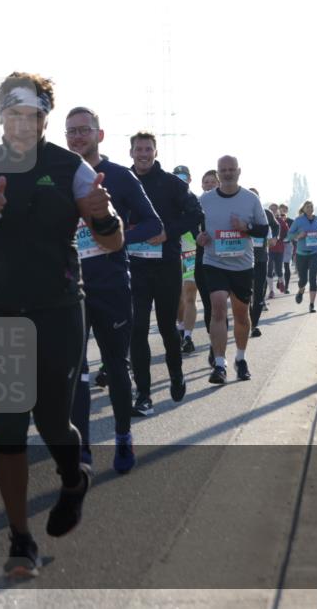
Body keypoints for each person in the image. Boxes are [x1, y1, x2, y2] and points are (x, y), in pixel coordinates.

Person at [0, 73, 124, 578]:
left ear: (46, 117)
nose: (23, 122)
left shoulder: (71, 167)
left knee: (51, 422)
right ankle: (20, 539)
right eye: (13, 113)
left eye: (33, 114)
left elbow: (111, 242)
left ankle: (74, 478)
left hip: (58, 308)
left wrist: (102, 216)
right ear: (0, 115)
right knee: (8, 428)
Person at [65, 106, 161, 472]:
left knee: (117, 366)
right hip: (69, 288)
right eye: (71, 131)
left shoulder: (120, 177)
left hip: (111, 285)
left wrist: (116, 237)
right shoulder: (57, 179)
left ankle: (123, 437)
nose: (77, 137)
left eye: (84, 130)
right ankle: (83, 448)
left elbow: (153, 222)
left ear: (99, 135)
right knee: (76, 371)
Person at [128, 132, 202, 415]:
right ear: (131, 152)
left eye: (148, 149)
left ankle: (176, 373)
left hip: (166, 265)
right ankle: (143, 394)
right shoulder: (125, 180)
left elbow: (195, 213)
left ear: (155, 152)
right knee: (137, 329)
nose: (143, 154)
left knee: (167, 327)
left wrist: (166, 233)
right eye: (139, 149)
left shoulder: (172, 184)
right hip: (135, 265)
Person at [196, 156, 269, 385]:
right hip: (214, 262)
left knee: (240, 313)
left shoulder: (250, 199)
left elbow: (264, 229)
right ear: (218, 173)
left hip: (242, 265)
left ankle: (240, 358)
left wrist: (246, 227)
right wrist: (197, 236)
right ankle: (219, 364)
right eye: (223, 170)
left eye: (231, 170)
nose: (227, 173)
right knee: (217, 308)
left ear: (239, 172)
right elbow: (192, 224)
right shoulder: (205, 200)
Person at [194, 169, 221, 367]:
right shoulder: (195, 204)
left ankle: (218, 351)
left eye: (213, 181)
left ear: (219, 184)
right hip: (202, 258)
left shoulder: (227, 204)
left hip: (224, 261)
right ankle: (214, 344)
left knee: (218, 306)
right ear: (202, 185)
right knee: (209, 306)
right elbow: (188, 225)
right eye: (206, 182)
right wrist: (197, 237)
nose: (209, 184)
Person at [173, 166, 199, 354]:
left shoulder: (195, 200)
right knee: (177, 299)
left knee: (190, 296)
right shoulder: (166, 201)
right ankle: (181, 327)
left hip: (191, 254)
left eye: (183, 177)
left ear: (190, 179)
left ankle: (188, 336)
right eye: (176, 177)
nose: (180, 180)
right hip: (172, 255)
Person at [247, 188, 279, 338]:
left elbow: (276, 226)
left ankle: (254, 325)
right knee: (246, 293)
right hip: (244, 259)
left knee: (259, 292)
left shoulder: (266, 213)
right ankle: (248, 322)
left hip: (261, 258)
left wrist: (275, 238)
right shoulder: (243, 212)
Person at [288, 200, 317, 313]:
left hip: (315, 252)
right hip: (301, 254)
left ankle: (312, 304)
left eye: (311, 207)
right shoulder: (298, 220)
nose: (310, 209)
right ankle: (301, 291)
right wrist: (299, 235)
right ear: (303, 209)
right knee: (303, 279)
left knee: (313, 278)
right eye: (308, 207)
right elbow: (289, 235)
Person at [266, 203, 288, 297]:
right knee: (269, 270)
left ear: (278, 211)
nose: (273, 211)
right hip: (268, 249)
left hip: (279, 248)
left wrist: (282, 239)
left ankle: (281, 281)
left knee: (279, 269)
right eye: (271, 209)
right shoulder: (265, 220)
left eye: (275, 209)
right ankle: (271, 291)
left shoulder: (281, 221)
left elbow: (287, 232)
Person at [279, 203, 294, 287]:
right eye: (281, 209)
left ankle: (286, 286)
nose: (282, 211)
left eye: (284, 209)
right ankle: (280, 281)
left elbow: (294, 233)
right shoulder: (275, 220)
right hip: (277, 246)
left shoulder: (291, 221)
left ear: (287, 211)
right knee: (279, 266)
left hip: (287, 245)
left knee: (286, 265)